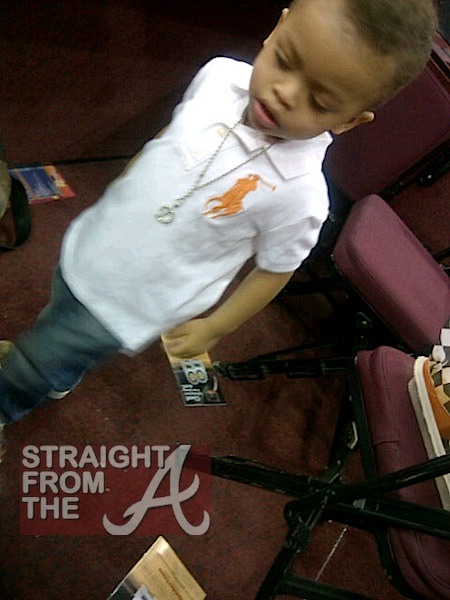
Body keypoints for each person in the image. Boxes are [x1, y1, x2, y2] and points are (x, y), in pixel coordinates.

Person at [0, 0, 438, 424]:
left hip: (132, 301)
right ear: (277, 30)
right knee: (61, 305)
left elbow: (274, 271)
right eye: (285, 60)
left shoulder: (301, 196)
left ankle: (25, 381)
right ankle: (58, 371)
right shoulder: (220, 76)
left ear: (348, 121)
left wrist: (216, 327)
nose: (285, 93)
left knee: (33, 364)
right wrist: (125, 186)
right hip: (97, 241)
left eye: (319, 103)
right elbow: (170, 137)